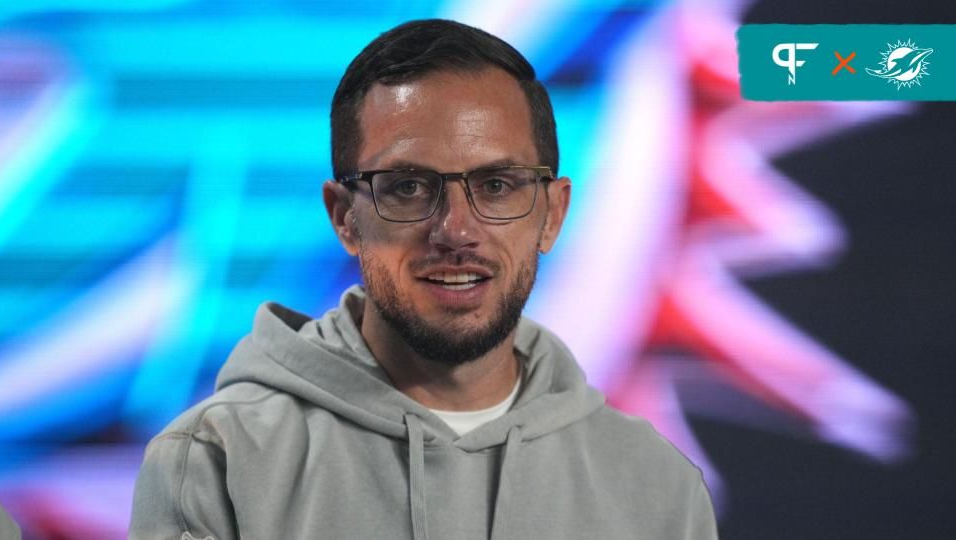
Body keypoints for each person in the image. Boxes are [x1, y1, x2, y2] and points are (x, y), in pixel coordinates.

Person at [129, 19, 717, 539]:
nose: (456, 229)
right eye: (407, 187)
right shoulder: (215, 464)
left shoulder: (652, 483)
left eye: (497, 186)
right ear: (345, 218)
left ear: (552, 214)